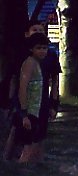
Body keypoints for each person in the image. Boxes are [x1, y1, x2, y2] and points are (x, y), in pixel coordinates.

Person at [12, 33, 50, 163]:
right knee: (27, 149)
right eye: (39, 48)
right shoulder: (29, 63)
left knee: (35, 146)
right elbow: (22, 88)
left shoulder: (38, 64)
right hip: (29, 112)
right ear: (31, 49)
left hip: (36, 111)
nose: (42, 51)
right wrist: (24, 114)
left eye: (45, 48)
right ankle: (19, 175)